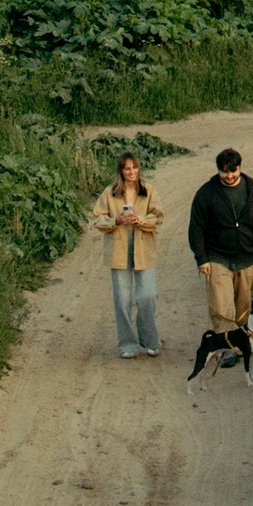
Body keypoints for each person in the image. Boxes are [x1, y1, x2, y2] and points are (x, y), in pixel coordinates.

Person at [187, 146, 253, 379]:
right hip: (217, 258)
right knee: (222, 307)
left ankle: (242, 343)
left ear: (240, 168)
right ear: (218, 171)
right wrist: (202, 259)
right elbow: (196, 228)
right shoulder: (206, 193)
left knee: (243, 306)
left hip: (247, 257)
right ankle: (227, 349)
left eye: (233, 171)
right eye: (224, 172)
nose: (229, 176)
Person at [89, 151, 164, 358]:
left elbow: (158, 217)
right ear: (121, 171)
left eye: (134, 167)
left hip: (144, 247)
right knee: (122, 299)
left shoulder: (148, 190)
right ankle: (128, 344)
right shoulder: (110, 193)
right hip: (119, 249)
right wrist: (117, 220)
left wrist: (140, 220)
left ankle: (150, 339)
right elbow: (98, 219)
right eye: (127, 168)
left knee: (148, 295)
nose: (132, 172)